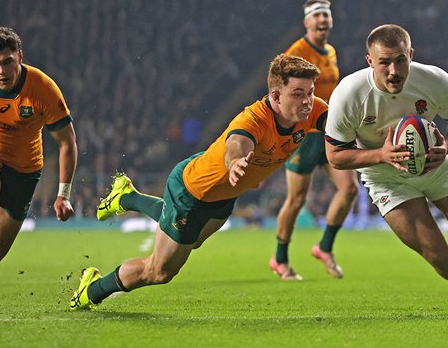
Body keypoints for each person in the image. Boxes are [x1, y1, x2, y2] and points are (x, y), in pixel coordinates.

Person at [70, 54, 327, 310]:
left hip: (224, 196)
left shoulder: (311, 108)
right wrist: (235, 163)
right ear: (275, 97)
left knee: (191, 240)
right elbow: (236, 143)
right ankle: (91, 289)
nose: (307, 101)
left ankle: (126, 197)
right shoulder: (254, 120)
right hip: (193, 192)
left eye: (310, 92)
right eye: (297, 94)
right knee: (159, 272)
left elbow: (339, 122)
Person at [324, 24, 448, 314]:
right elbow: (335, 156)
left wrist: (446, 146)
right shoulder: (349, 94)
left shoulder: (433, 80)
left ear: (410, 54)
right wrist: (381, 154)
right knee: (441, 260)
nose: (393, 70)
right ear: (370, 61)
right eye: (384, 62)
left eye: (400, 60)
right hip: (386, 178)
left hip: (434, 165)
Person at [270, 0, 358, 281]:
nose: (322, 20)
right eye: (317, 15)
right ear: (307, 21)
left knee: (350, 189)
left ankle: (325, 247)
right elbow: (277, 88)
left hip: (331, 131)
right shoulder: (297, 52)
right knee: (296, 199)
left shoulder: (330, 51)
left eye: (326, 15)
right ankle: (280, 258)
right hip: (304, 135)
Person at [0, 26, 77, 263]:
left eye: (7, 62)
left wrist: (63, 195)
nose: (0, 72)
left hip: (25, 171)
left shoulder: (42, 88)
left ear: (20, 57)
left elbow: (67, 142)